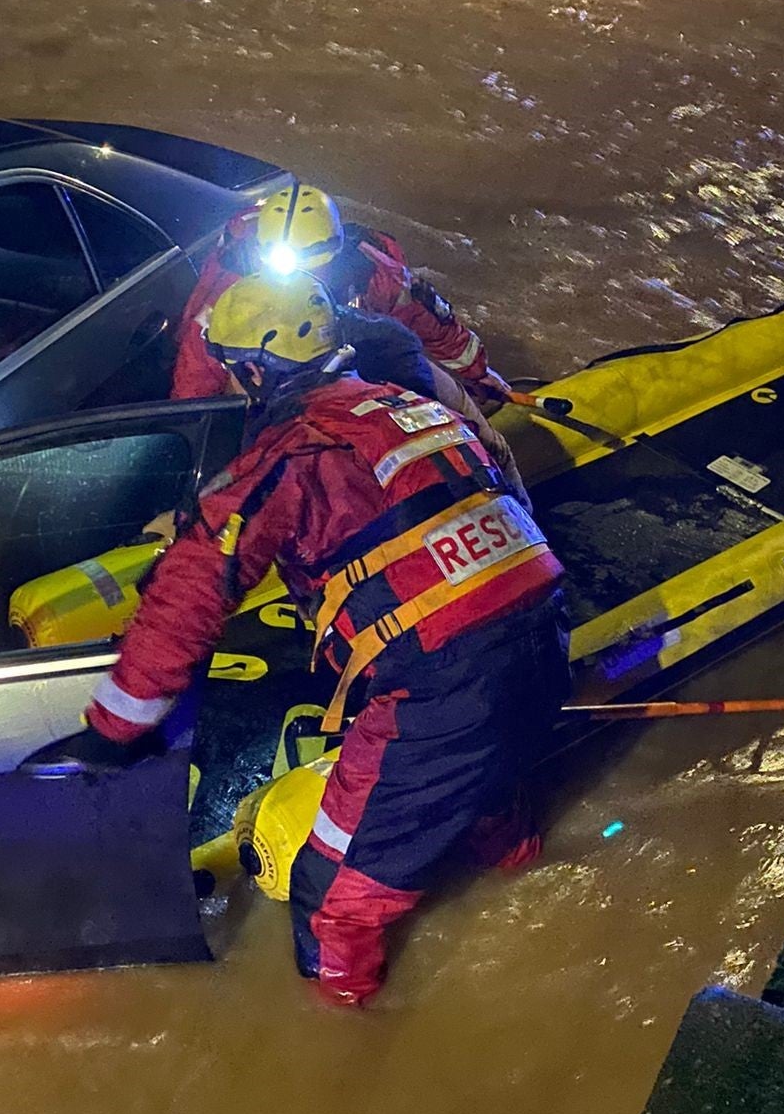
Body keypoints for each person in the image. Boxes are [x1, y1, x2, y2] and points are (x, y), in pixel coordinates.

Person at [84, 272, 569, 1008]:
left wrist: (117, 725)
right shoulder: (417, 409)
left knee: (330, 889)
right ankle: (528, 889)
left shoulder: (289, 455)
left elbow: (193, 590)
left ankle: (346, 1048)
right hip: (543, 645)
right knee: (487, 802)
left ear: (255, 371)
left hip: (442, 689)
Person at [170, 182, 509, 411]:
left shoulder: (374, 271)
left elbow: (431, 321)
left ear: (336, 252)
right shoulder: (232, 296)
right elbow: (197, 369)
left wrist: (478, 373)